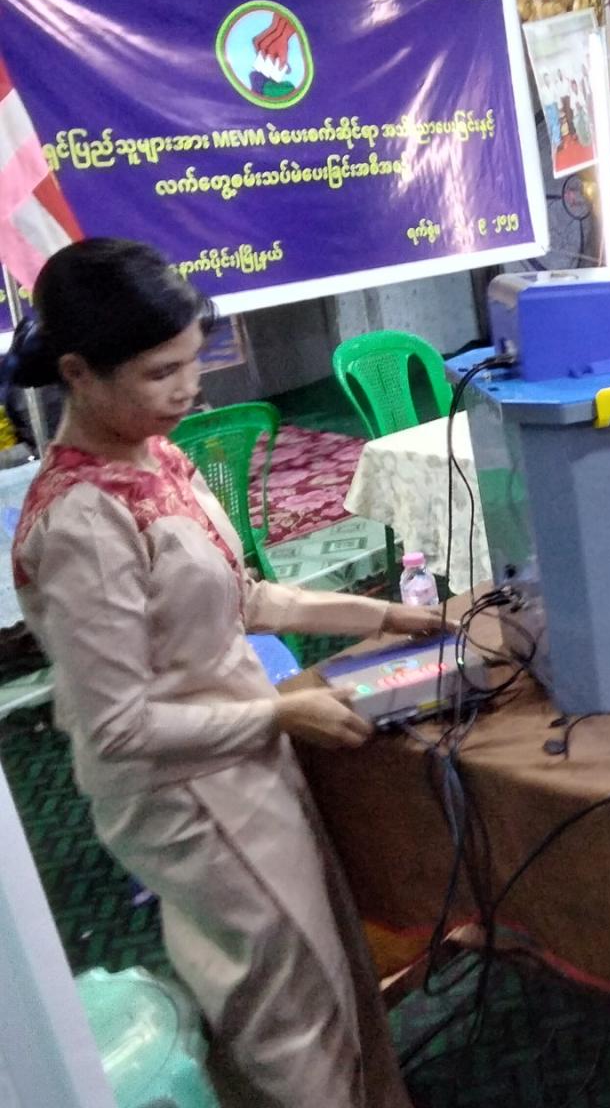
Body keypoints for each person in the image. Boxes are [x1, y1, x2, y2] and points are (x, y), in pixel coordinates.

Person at [9, 239, 439, 1108]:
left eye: (192, 361)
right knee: (285, 1004)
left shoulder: (154, 457)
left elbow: (240, 598)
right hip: (182, 791)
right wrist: (279, 714)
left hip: (237, 746)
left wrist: (383, 617)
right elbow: (118, 726)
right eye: (161, 372)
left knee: (321, 964)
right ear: (78, 373)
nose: (189, 388)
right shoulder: (82, 524)